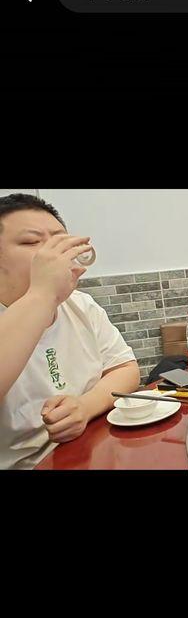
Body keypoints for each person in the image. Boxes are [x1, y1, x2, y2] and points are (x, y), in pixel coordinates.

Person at [0, 193, 140, 470]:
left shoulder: (81, 305)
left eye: (59, 241)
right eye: (31, 242)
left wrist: (85, 407)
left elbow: (125, 368)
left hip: (93, 451)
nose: (52, 253)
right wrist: (42, 294)